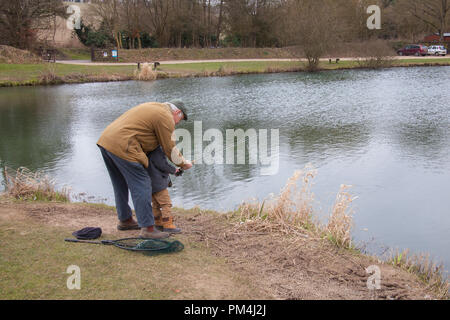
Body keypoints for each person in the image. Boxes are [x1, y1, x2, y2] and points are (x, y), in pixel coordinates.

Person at [97, 100, 192, 239]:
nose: (178, 123)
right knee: (142, 184)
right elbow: (169, 148)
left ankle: (125, 220)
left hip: (106, 141)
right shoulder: (165, 117)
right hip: (124, 146)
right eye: (180, 119)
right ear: (177, 112)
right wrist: (184, 163)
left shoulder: (154, 106)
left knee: (120, 184)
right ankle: (148, 229)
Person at [146, 146, 182, 234]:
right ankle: (168, 225)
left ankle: (158, 223)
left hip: (149, 183)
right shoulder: (157, 150)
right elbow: (162, 164)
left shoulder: (147, 148)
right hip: (158, 184)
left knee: (156, 204)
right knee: (166, 204)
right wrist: (175, 170)